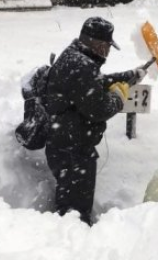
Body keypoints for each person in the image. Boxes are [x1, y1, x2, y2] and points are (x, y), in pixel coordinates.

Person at [43, 17, 146, 225]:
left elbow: (96, 83)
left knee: (70, 205)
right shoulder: (81, 66)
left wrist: (129, 76)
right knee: (75, 212)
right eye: (107, 46)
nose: (107, 52)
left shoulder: (76, 57)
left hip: (66, 145)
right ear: (97, 44)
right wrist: (119, 98)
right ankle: (74, 237)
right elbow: (99, 109)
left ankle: (69, 231)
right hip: (73, 151)